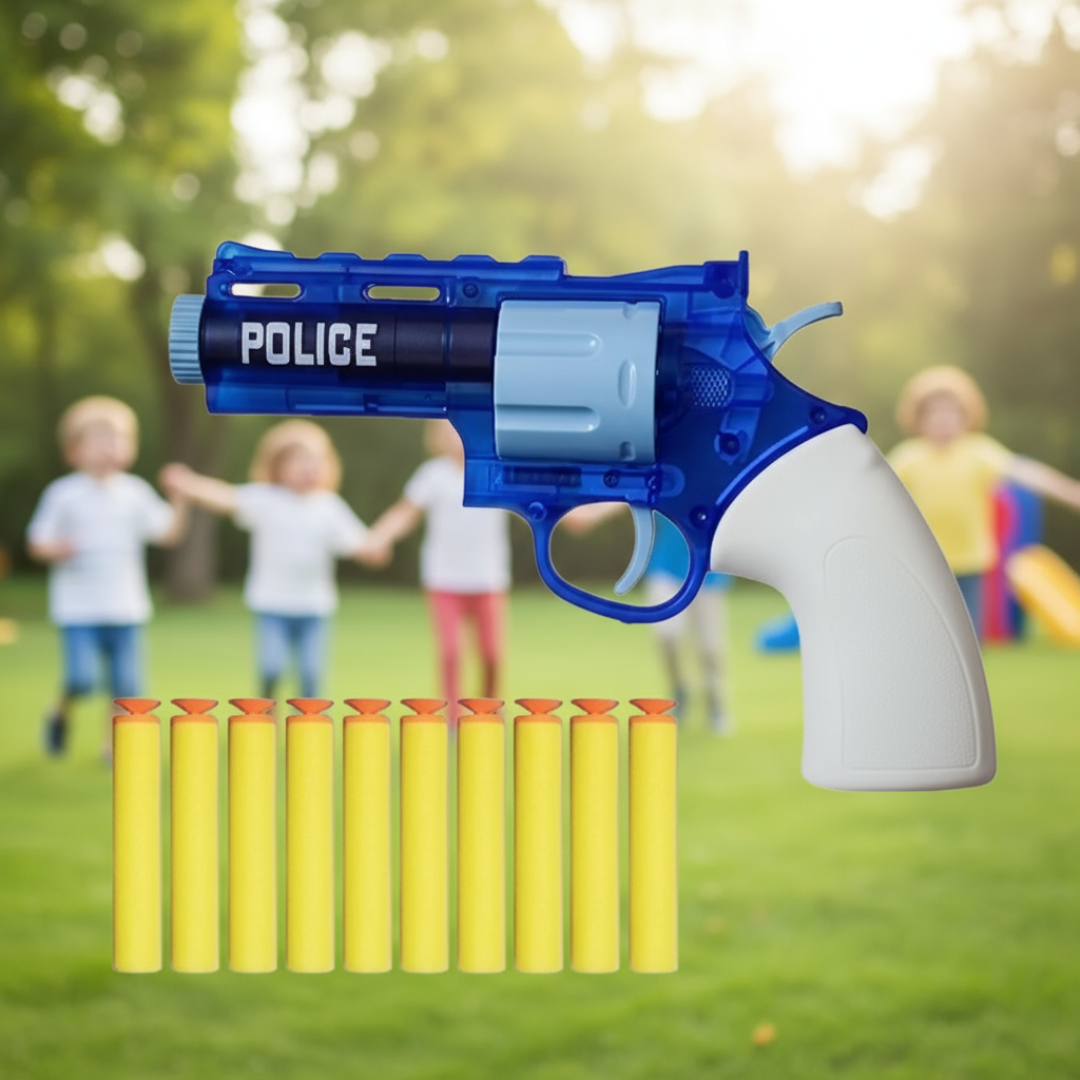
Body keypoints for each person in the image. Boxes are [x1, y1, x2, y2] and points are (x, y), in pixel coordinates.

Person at [161, 420, 388, 700]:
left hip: (314, 607)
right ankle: (266, 711)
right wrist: (188, 484)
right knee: (271, 669)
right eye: (300, 461)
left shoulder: (328, 507)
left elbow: (358, 543)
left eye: (316, 461)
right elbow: (226, 497)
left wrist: (374, 551)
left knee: (310, 675)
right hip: (272, 604)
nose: (309, 468)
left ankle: (308, 731)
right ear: (277, 466)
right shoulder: (266, 500)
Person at [27, 396, 188, 760]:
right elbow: (37, 543)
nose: (109, 447)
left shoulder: (134, 493)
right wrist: (56, 549)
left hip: (126, 607)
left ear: (130, 447)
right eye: (98, 439)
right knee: (81, 679)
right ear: (74, 451)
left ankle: (110, 745)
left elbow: (168, 534)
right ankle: (59, 711)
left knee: (126, 687)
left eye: (117, 439)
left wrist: (180, 498)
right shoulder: (63, 494)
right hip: (78, 609)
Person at [887, 365, 1080, 633]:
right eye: (934, 413)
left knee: (967, 636)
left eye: (951, 412)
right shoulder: (908, 457)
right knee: (928, 632)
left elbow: (1026, 472)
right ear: (918, 418)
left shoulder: (978, 453)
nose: (943, 420)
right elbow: (876, 491)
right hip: (925, 561)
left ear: (966, 417)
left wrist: (1070, 491)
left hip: (970, 562)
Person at [367, 420, 511, 724]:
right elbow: (405, 512)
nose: (456, 438)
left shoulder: (494, 470)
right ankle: (452, 719)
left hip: (488, 578)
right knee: (450, 652)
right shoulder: (432, 475)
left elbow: (529, 506)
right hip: (444, 579)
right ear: (437, 439)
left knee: (491, 654)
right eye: (448, 433)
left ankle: (488, 709)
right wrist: (380, 536)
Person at [562, 503, 734, 733]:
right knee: (667, 635)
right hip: (666, 568)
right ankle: (680, 689)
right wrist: (588, 514)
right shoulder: (666, 473)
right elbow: (626, 497)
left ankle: (716, 704)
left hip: (708, 570)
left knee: (710, 648)